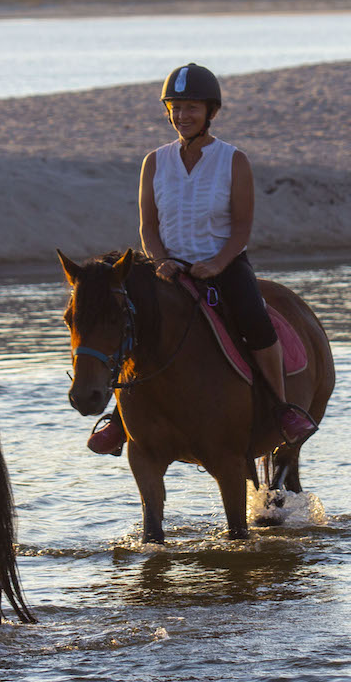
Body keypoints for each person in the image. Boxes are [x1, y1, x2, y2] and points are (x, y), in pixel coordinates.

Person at [86, 63, 319, 455]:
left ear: (211, 111)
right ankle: (120, 417)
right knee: (123, 323)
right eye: (175, 108)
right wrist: (158, 260)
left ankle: (283, 409)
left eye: (191, 107)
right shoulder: (155, 161)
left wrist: (217, 264)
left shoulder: (233, 160)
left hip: (223, 265)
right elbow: (148, 226)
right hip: (167, 268)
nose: (182, 116)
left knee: (256, 320)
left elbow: (242, 227)